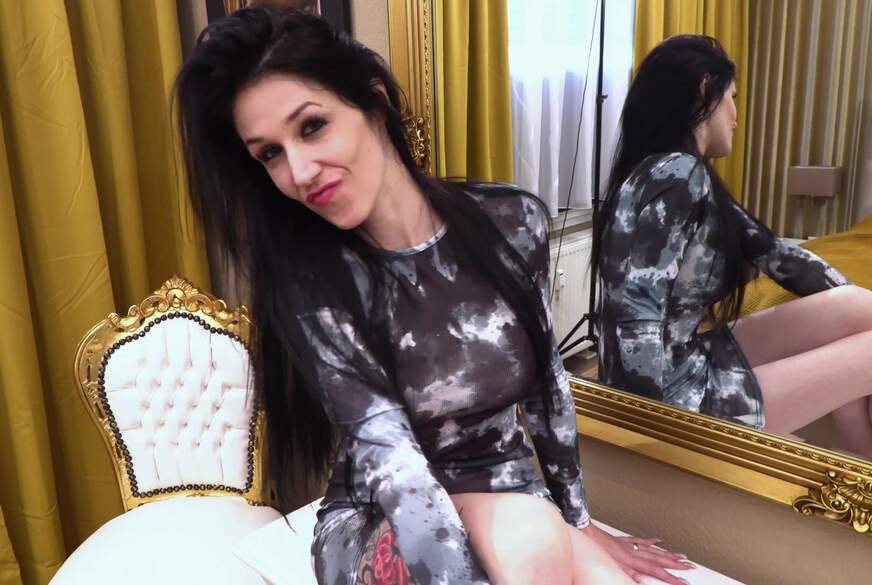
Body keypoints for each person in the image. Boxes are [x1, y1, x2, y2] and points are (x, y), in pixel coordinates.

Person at [174, 6, 691, 585]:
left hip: (507, 491)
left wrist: (579, 521)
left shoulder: (512, 221)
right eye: (269, 153)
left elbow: (547, 386)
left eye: (312, 126)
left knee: (566, 557)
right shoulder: (313, 285)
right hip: (383, 515)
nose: (298, 171)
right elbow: (400, 475)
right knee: (530, 544)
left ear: (375, 102)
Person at [596, 34, 872, 457]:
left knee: (852, 306)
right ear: (706, 87)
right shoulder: (679, 175)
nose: (737, 116)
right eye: (734, 98)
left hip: (685, 361)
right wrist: (649, 433)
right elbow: (635, 315)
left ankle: (860, 467)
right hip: (676, 400)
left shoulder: (666, 172)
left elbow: (783, 258)